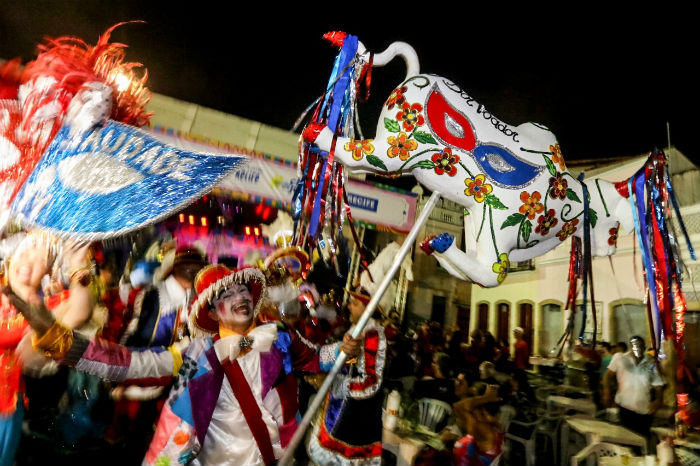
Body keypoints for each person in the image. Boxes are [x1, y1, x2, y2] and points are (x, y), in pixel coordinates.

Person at [10, 263, 361, 466]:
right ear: (211, 311)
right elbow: (129, 363)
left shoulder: (280, 337)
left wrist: (342, 349)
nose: (238, 298)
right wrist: (59, 338)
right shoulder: (195, 352)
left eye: (241, 292)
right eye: (226, 295)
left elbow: (316, 359)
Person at [307, 288, 387, 466]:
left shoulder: (372, 335)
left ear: (368, 308)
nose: (349, 306)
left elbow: (371, 384)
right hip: (340, 417)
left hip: (354, 423)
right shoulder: (357, 330)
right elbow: (348, 363)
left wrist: (334, 385)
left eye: (355, 303)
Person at [603, 335, 664, 437]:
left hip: (644, 411)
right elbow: (607, 377)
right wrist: (607, 393)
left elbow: (658, 385)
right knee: (625, 439)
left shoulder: (650, 363)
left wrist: (658, 400)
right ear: (630, 347)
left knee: (642, 440)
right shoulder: (620, 358)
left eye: (640, 346)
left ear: (644, 348)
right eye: (634, 346)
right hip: (625, 408)